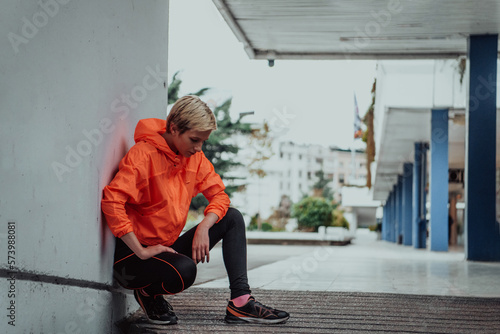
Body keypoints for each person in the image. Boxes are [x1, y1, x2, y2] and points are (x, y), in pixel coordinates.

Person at [101, 95, 289, 325]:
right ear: (173, 128)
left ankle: (241, 302)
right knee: (184, 271)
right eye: (194, 140)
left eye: (203, 141)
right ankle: (148, 293)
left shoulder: (194, 159)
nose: (199, 148)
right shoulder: (143, 156)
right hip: (133, 258)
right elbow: (112, 200)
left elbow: (219, 195)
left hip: (165, 249)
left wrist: (204, 226)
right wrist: (141, 251)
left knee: (232, 218)